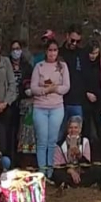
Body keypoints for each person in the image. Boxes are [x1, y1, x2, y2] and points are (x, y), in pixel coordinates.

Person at [31, 39, 70, 179]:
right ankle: (42, 172)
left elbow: (66, 86)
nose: (52, 53)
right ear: (46, 51)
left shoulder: (63, 66)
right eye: (50, 50)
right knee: (42, 140)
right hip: (40, 107)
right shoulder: (38, 66)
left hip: (57, 107)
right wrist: (46, 90)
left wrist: (55, 88)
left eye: (55, 50)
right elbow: (33, 88)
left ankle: (51, 171)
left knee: (52, 140)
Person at [53, 116, 101, 188]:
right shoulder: (60, 144)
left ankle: (72, 184)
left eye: (76, 128)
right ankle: (79, 184)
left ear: (80, 129)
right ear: (67, 129)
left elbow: (87, 163)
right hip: (68, 171)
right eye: (71, 127)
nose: (73, 130)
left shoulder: (85, 141)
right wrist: (71, 171)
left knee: (97, 170)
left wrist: (79, 155)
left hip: (82, 170)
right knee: (57, 174)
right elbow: (58, 165)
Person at [8, 40, 33, 164]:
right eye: (13, 49)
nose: (16, 51)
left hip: (23, 103)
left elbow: (30, 80)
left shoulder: (27, 66)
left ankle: (19, 161)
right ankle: (9, 159)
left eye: (18, 49)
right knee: (9, 133)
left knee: (21, 133)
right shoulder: (6, 64)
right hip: (9, 102)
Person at [82, 39, 101, 154]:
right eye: (91, 53)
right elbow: (78, 81)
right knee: (86, 131)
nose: (93, 56)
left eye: (95, 53)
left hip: (100, 102)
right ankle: (86, 159)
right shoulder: (83, 62)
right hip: (85, 100)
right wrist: (86, 93)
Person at [60, 24, 88, 127]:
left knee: (75, 135)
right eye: (72, 40)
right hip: (60, 102)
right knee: (58, 135)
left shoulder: (82, 54)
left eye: (78, 41)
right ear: (67, 36)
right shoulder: (59, 53)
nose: (74, 43)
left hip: (77, 101)